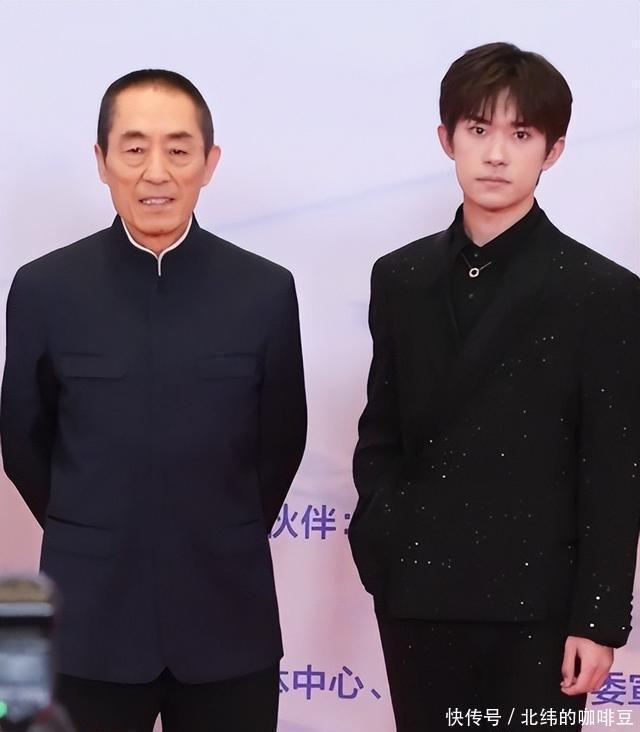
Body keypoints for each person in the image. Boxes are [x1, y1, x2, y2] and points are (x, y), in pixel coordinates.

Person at [0, 69, 307, 732]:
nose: (156, 172)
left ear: (209, 163)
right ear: (102, 160)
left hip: (229, 617)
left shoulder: (265, 291)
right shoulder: (44, 289)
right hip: (89, 623)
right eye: (134, 149)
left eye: (179, 149)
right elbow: (23, 441)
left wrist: (216, 525)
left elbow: (281, 442)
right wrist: (90, 521)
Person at [349, 42, 640, 731]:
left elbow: (614, 468)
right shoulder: (401, 276)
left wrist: (599, 619)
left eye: (521, 134)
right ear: (446, 139)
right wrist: (384, 537)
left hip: (540, 608)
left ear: (553, 151)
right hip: (418, 593)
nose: (497, 154)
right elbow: (381, 430)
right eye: (478, 130)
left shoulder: (601, 292)